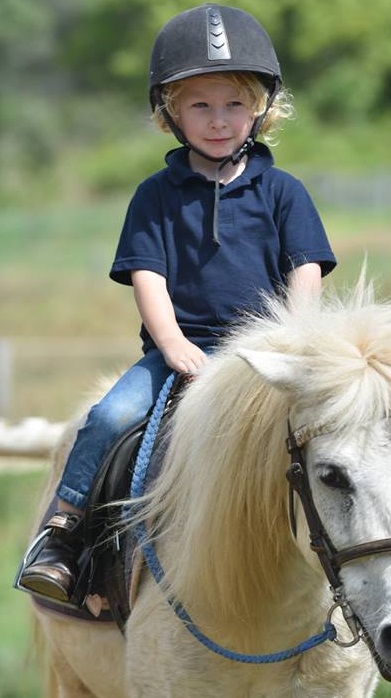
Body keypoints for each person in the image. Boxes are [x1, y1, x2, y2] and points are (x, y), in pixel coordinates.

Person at [18, 4, 336, 603]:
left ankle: (356, 559)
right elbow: (148, 277)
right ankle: (64, 536)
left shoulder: (284, 193)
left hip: (266, 354)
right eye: (201, 105)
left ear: (261, 109)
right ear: (170, 112)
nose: (219, 121)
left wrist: (295, 340)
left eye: (234, 104)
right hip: (179, 352)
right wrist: (174, 347)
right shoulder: (155, 197)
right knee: (110, 417)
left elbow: (307, 271)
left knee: (341, 429)